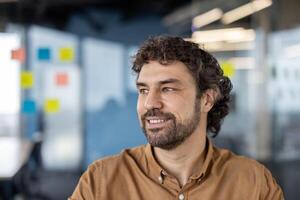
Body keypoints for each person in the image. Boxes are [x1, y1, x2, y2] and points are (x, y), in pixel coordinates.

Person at [69, 36, 284, 199]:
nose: (150, 103)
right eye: (143, 90)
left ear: (206, 100)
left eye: (168, 89)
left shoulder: (253, 183)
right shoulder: (100, 183)